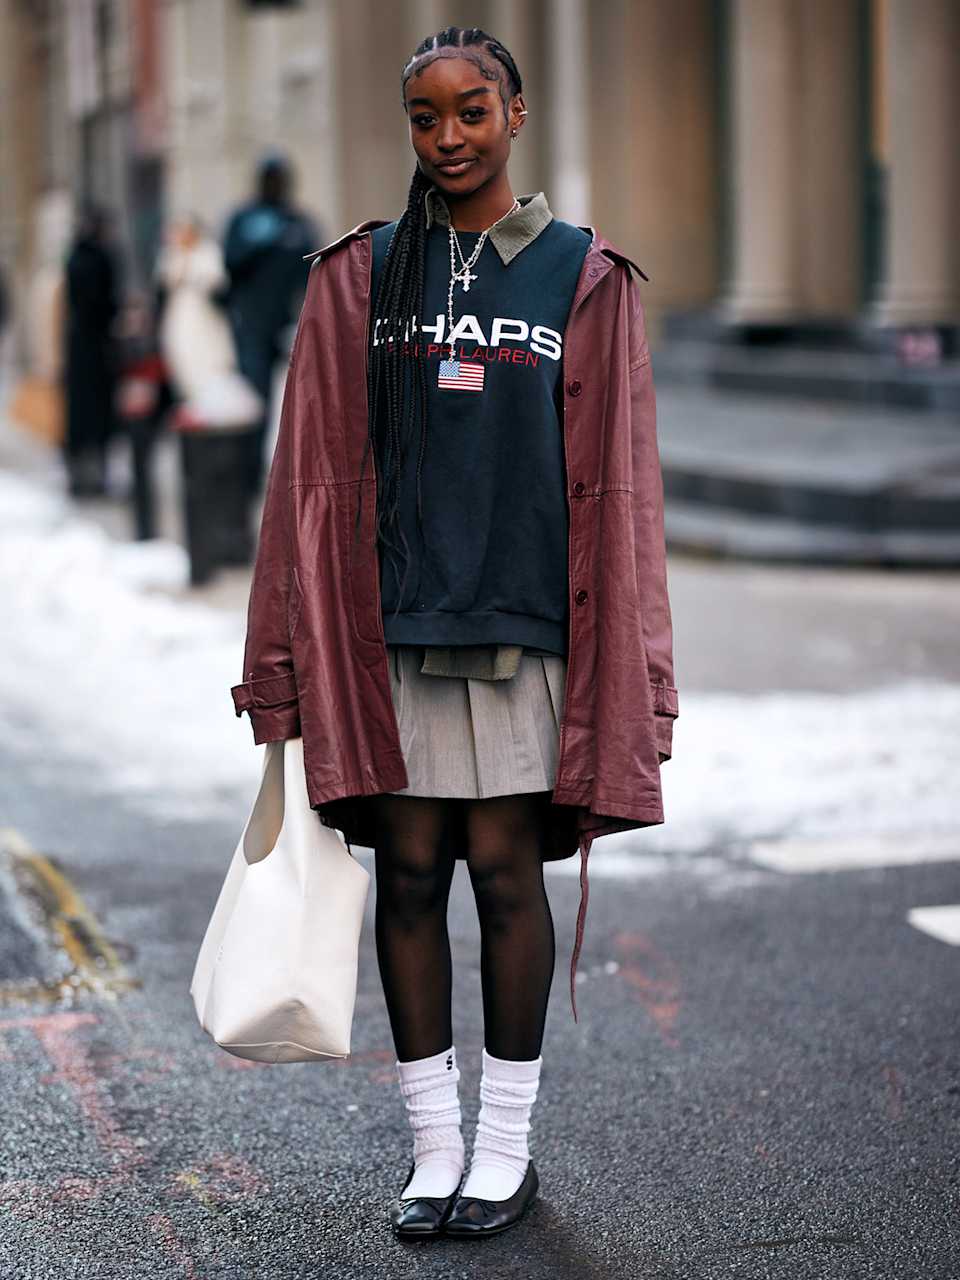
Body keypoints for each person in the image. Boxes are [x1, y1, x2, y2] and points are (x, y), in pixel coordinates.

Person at [230, 25, 677, 1241]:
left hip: (532, 623)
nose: (447, 138)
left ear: (515, 115)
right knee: (411, 876)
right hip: (394, 630)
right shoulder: (361, 274)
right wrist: (279, 658)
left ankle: (505, 1149)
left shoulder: (586, 274)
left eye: (471, 112)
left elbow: (627, 489)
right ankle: (434, 1149)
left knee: (505, 874)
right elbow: (306, 477)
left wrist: (643, 673)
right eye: (425, 119)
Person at [222, 151, 320, 500]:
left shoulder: (297, 222)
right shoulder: (245, 219)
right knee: (255, 403)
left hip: (289, 325)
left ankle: (297, 480)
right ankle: (247, 480)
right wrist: (258, 243)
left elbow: (315, 272)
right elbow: (229, 266)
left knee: (302, 405)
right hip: (251, 326)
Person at [63, 204, 121, 498]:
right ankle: (94, 476)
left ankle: (81, 476)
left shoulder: (74, 257)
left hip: (80, 346)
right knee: (96, 417)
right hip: (97, 347)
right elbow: (106, 302)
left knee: (82, 419)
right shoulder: (100, 258)